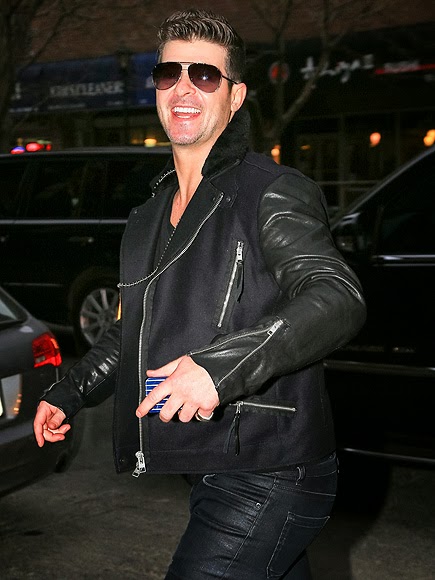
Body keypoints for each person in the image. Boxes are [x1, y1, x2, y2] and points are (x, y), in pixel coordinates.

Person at [34, 8, 366, 579]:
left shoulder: (271, 191)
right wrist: (71, 391)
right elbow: (132, 327)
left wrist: (217, 369)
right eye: (170, 73)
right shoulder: (148, 215)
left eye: (205, 75)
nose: (184, 88)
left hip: (270, 467)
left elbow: (336, 295)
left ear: (235, 97)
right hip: (210, 459)